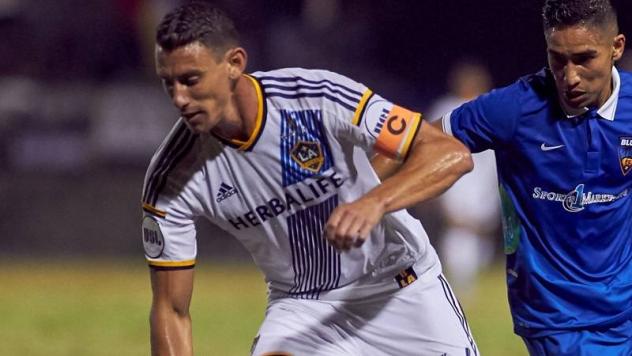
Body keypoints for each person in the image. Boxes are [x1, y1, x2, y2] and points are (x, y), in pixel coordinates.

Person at [141, 2, 476, 356]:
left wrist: (375, 202)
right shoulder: (171, 178)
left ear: (235, 64)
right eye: (169, 83)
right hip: (303, 306)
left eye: (191, 80)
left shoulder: (315, 97)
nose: (179, 98)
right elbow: (171, 310)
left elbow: (450, 154)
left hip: (399, 286)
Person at [434, 0, 630, 354]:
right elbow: (421, 140)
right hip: (557, 317)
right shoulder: (515, 108)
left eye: (584, 58)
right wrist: (370, 197)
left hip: (623, 308)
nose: (570, 76)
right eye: (558, 59)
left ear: (616, 47)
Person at [426, 59, 500, 295]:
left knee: (483, 258)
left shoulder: (491, 110)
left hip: (484, 196)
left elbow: (495, 161)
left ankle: (473, 303)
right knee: (458, 251)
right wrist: (439, 198)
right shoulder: (445, 110)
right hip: (455, 192)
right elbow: (429, 155)